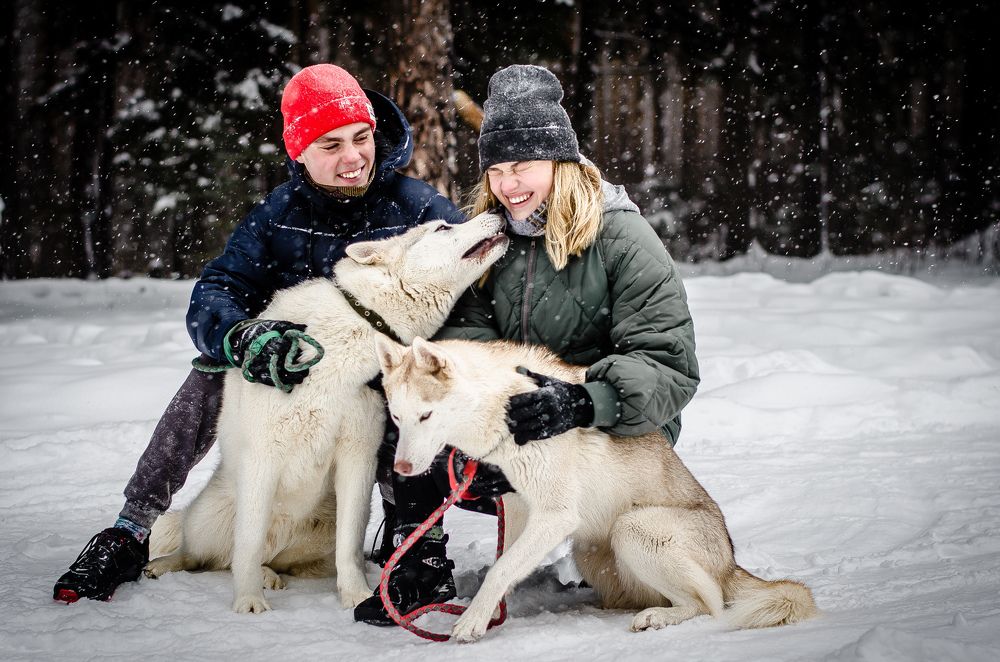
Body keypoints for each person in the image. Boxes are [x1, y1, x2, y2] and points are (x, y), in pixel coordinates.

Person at [53, 63, 464, 603]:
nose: (353, 158)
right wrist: (241, 337)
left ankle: (415, 534)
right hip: (296, 370)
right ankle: (130, 530)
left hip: (383, 374)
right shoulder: (277, 214)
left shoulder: (419, 208)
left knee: (398, 402)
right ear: (299, 153)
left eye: (361, 138)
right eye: (330, 145)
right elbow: (219, 287)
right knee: (208, 378)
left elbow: (468, 290)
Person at [353, 63, 701, 625]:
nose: (508, 185)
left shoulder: (622, 237)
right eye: (496, 169)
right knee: (406, 406)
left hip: (609, 428)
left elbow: (668, 365)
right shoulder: (489, 240)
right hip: (509, 414)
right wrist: (488, 409)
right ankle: (417, 565)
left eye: (524, 167)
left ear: (561, 163)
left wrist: (587, 401)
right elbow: (465, 335)